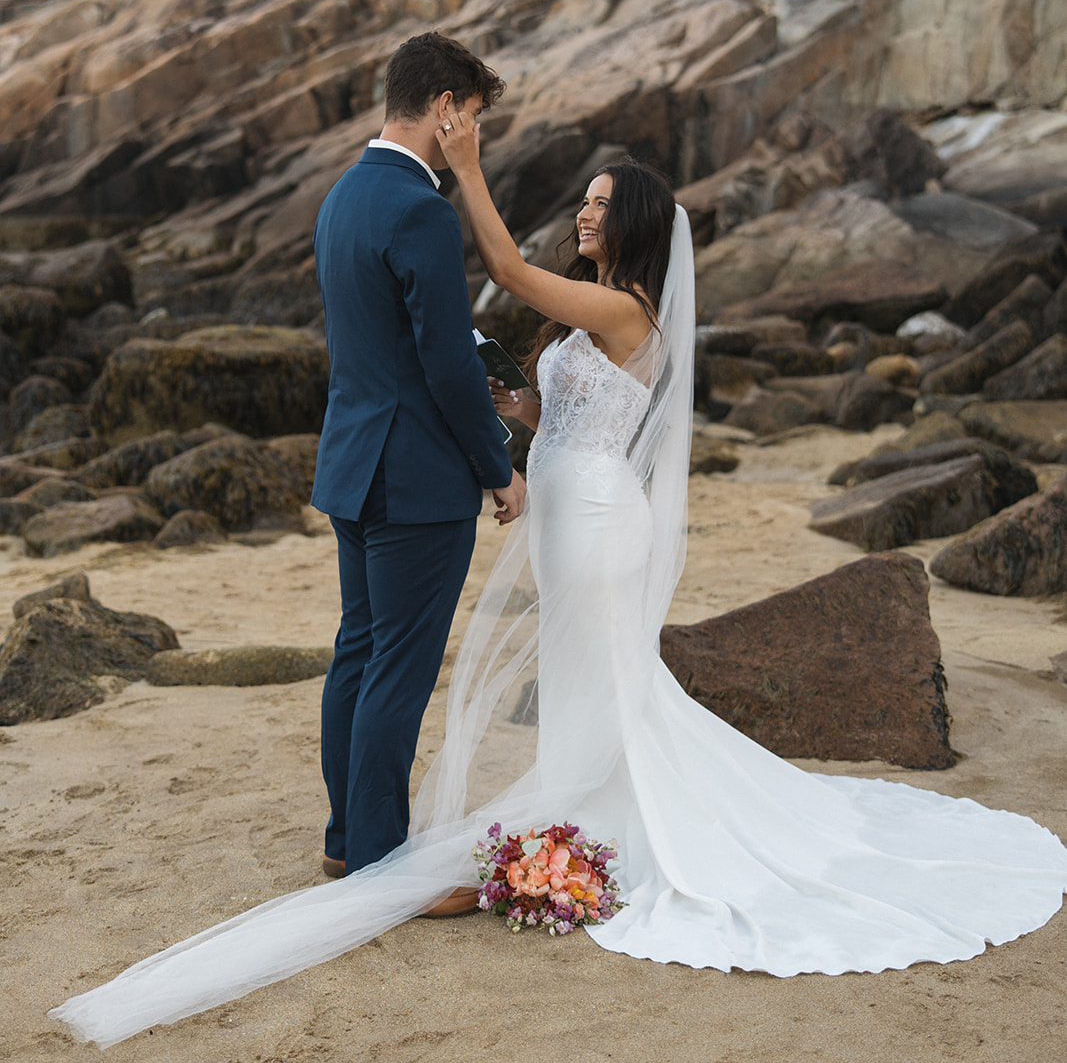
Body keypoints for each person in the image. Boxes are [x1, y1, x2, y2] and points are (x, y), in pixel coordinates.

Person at [51, 133, 1067, 1048]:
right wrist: (508, 400)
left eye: (594, 203)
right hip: (570, 506)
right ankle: (580, 810)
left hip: (594, 521)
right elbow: (556, 412)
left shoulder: (627, 310)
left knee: (601, 673)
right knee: (588, 677)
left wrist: (470, 166)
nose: (580, 213)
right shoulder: (601, 322)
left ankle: (594, 828)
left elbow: (500, 267)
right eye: (579, 200)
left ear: (627, 223)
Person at [309, 31, 525, 895]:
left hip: (353, 465)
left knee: (357, 656)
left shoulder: (343, 198)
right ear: (444, 110)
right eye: (470, 116)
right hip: (418, 481)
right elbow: (441, 361)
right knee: (396, 669)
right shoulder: (421, 210)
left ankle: (344, 839)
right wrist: (497, 465)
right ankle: (379, 861)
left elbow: (388, 345)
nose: (470, 130)